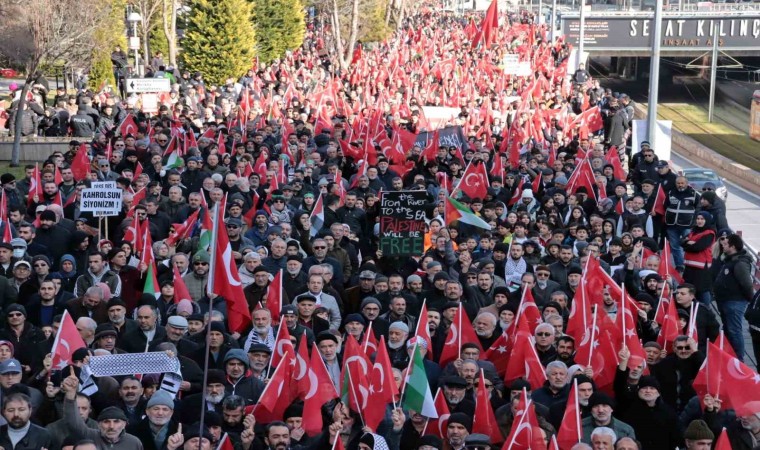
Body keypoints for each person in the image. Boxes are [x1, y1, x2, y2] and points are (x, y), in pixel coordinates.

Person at [712, 234, 755, 360]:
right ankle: (730, 356)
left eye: (726, 244)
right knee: (728, 330)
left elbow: (747, 284)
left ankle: (739, 360)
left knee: (734, 331)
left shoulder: (739, 263)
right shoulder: (730, 259)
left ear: (733, 246)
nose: (723, 245)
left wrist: (751, 301)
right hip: (725, 301)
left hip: (734, 302)